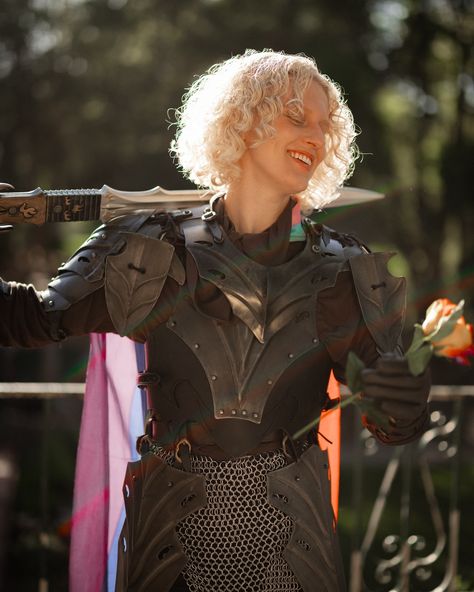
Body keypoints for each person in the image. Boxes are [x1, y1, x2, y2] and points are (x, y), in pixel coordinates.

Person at [0, 49, 430, 592]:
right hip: (168, 545)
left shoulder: (347, 271)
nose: (316, 138)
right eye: (297, 117)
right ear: (242, 123)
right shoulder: (151, 252)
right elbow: (26, 320)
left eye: (325, 125)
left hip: (293, 547)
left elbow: (395, 427)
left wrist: (405, 397)